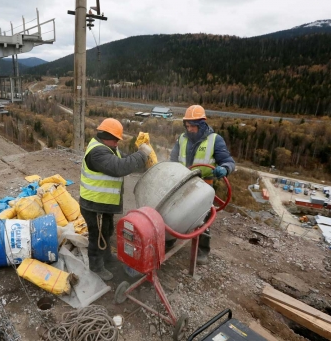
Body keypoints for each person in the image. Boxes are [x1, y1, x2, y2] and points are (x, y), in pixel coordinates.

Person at [80, 118, 153, 280]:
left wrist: (143, 161)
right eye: (116, 140)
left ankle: (106, 258)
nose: (117, 143)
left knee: (106, 231)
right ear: (107, 136)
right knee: (97, 236)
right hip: (94, 205)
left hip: (103, 204)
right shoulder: (97, 152)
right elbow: (119, 167)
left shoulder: (109, 149)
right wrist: (141, 154)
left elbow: (126, 161)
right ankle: (96, 267)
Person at [169, 105, 235, 265]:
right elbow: (172, 160)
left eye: (193, 126)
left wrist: (224, 169)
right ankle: (170, 240)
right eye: (187, 125)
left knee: (202, 220)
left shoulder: (215, 140)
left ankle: (202, 251)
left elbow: (229, 162)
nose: (190, 129)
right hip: (183, 185)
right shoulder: (182, 139)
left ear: (202, 124)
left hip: (203, 187)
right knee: (175, 215)